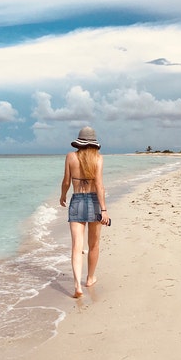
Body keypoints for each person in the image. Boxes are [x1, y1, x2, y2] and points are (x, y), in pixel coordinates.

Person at [59, 126, 110, 298]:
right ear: (94, 143)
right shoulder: (98, 159)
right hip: (95, 202)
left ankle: (76, 286)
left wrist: (62, 195)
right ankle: (89, 278)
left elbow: (66, 181)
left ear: (79, 142)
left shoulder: (70, 157)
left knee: (76, 246)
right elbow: (99, 185)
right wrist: (104, 210)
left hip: (77, 201)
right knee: (94, 244)